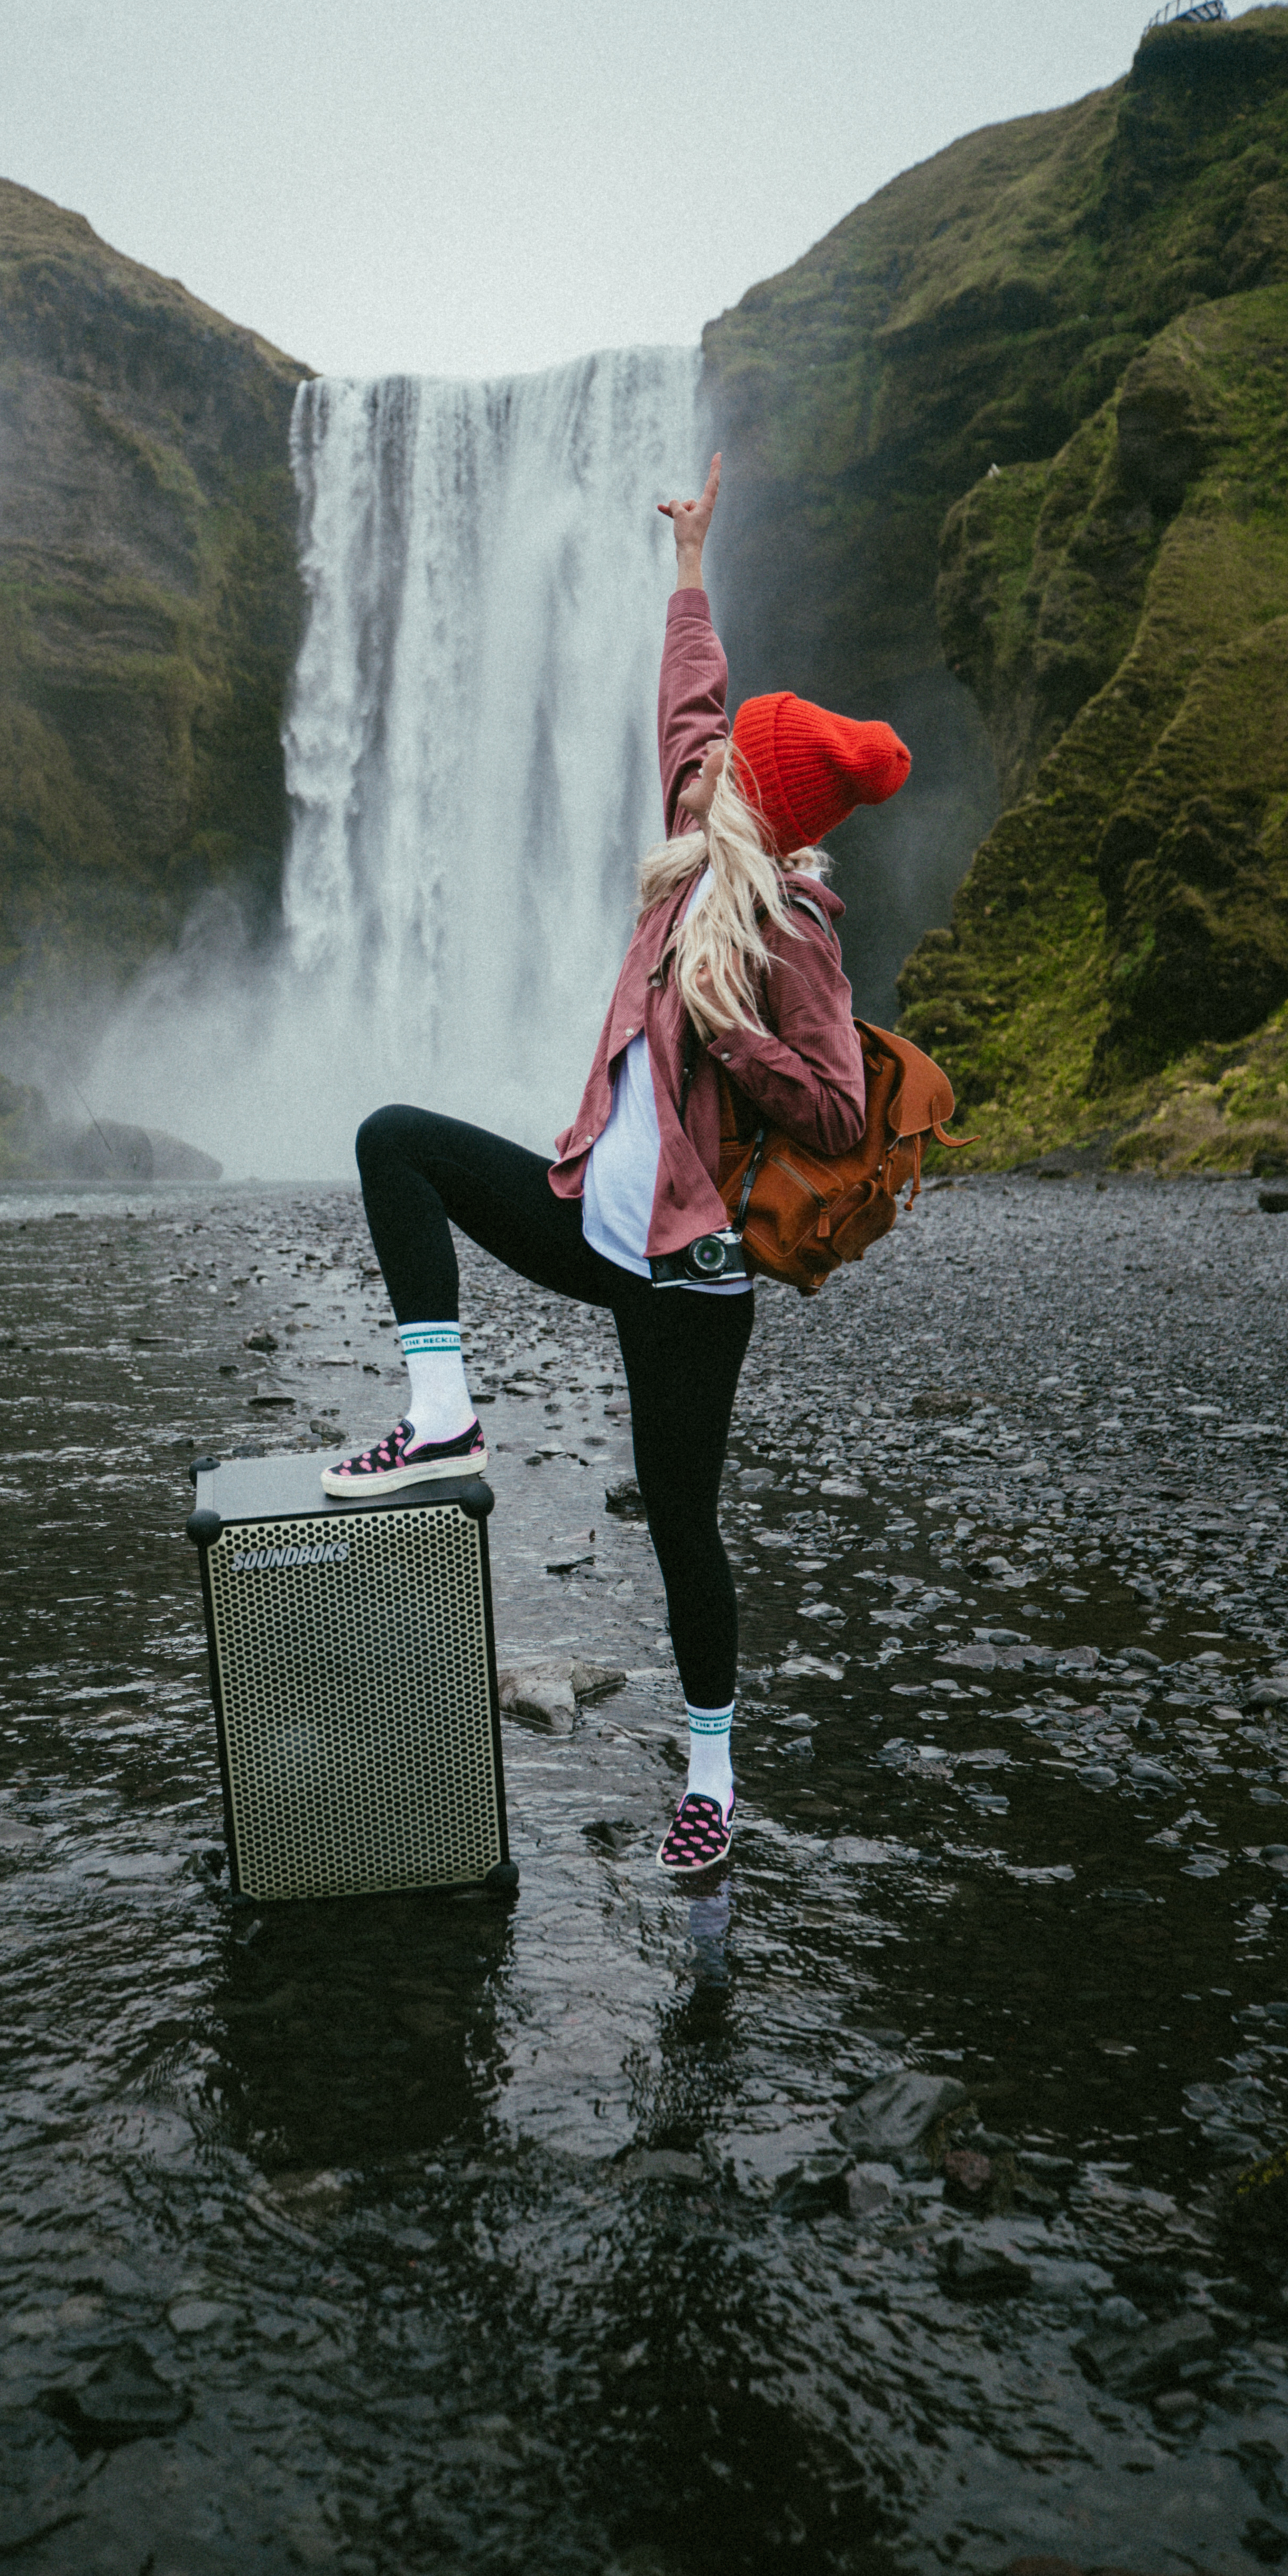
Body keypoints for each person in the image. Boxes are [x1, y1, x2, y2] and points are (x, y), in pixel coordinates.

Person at [323, 455, 911, 1873]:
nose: (697, 768)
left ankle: (712, 1777)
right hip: (594, 1210)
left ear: (757, 806)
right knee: (394, 1141)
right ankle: (444, 1409)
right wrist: (692, 564)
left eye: (722, 773)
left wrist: (732, 1034)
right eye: (700, 766)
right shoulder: (689, 848)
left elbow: (836, 1110)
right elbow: (691, 702)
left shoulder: (793, 931)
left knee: (682, 1531)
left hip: (690, 1272)